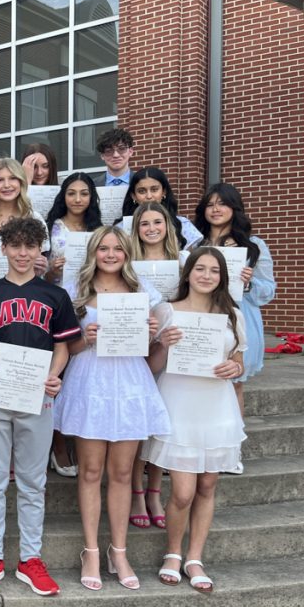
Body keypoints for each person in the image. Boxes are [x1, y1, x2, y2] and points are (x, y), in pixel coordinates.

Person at [54, 226, 171, 591]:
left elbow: (154, 345)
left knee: (121, 474)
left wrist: (152, 332)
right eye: (103, 248)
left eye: (117, 248)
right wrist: (81, 338)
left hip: (130, 384)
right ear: (93, 252)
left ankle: (118, 551)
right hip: (90, 380)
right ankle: (90, 550)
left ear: (126, 253)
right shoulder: (73, 290)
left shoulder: (142, 291)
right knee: (90, 471)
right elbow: (62, 345)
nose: (109, 254)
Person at [0, 217, 81, 596]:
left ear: (40, 251)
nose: (22, 253)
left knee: (33, 480)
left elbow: (63, 346)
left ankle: (30, 558)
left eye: (30, 247)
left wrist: (56, 374)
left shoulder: (55, 295)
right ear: (3, 249)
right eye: (15, 246)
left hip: (38, 392)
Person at [144, 247, 247, 593]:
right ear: (187, 273)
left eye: (214, 271)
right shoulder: (167, 311)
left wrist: (235, 367)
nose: (206, 275)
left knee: (207, 486)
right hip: (179, 404)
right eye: (200, 269)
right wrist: (164, 345)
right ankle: (172, 552)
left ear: (222, 277)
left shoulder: (231, 313)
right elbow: (151, 368)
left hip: (215, 406)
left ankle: (194, 557)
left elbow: (238, 361)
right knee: (184, 491)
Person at [194, 183, 275, 420]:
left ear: (234, 208)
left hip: (239, 320)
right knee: (201, 385)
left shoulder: (253, 245)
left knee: (233, 384)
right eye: (210, 204)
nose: (215, 209)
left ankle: (233, 448)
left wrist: (249, 284)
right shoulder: (194, 244)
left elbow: (268, 291)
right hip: (202, 318)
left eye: (222, 203)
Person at [43, 172, 103, 479]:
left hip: (91, 305)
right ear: (62, 196)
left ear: (91, 197)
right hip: (59, 304)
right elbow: (41, 276)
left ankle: (81, 436)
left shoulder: (99, 230)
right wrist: (52, 270)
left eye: (83, 193)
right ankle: (57, 444)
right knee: (59, 371)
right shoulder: (51, 228)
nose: (77, 199)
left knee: (82, 376)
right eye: (71, 193)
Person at [128, 201, 182, 529]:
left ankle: (154, 492)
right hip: (139, 345)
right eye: (144, 223)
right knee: (140, 423)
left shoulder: (184, 261)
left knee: (163, 423)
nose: (151, 228)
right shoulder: (128, 265)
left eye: (157, 222)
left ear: (167, 226)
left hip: (173, 345)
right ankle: (136, 493)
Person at [119, 167, 202, 249]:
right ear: (133, 196)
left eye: (154, 190)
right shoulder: (121, 228)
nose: (149, 196)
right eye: (142, 191)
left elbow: (190, 261)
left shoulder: (183, 225)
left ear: (164, 192)